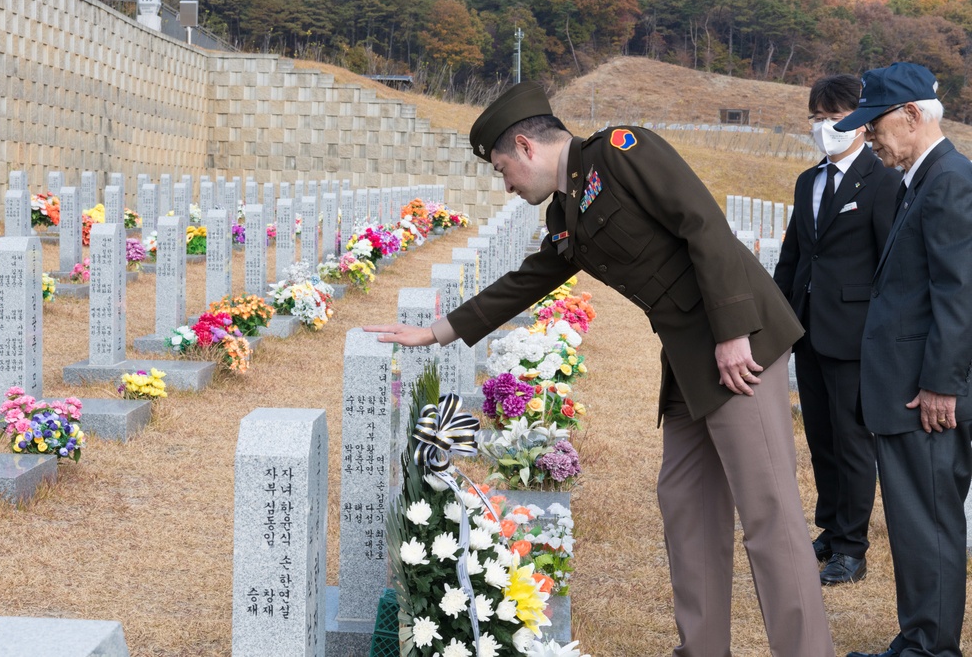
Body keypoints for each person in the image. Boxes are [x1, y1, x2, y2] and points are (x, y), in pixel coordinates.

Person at [366, 82, 835, 656]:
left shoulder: (620, 151)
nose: (506, 184)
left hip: (740, 345)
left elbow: (703, 222)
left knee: (769, 516)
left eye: (502, 168)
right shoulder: (568, 209)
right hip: (689, 361)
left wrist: (735, 331)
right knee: (686, 505)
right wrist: (438, 332)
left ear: (525, 146)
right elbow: (531, 278)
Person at [833, 62, 972, 657]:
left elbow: (958, 289)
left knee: (929, 524)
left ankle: (929, 649)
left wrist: (943, 383)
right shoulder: (924, 176)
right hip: (909, 386)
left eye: (877, 125)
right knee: (919, 525)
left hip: (926, 394)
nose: (870, 138)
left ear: (913, 115)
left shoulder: (949, 179)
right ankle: (920, 637)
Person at [773, 75, 901, 586]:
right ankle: (829, 526)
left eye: (835, 118)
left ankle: (852, 546)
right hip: (808, 328)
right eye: (817, 119)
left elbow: (891, 264)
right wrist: (778, 323)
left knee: (852, 440)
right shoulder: (809, 181)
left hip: (855, 333)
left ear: (862, 123)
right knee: (821, 437)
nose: (825, 128)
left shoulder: (882, 179)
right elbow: (794, 257)